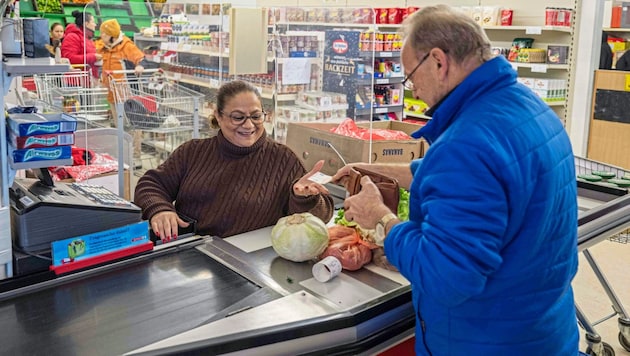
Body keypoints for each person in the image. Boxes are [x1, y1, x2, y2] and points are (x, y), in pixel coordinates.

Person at [332, 5, 578, 355]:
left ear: (438, 61)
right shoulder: (527, 106)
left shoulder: (465, 144)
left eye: (410, 75)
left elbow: (446, 278)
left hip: (484, 339)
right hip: (542, 326)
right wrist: (376, 170)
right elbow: (475, 183)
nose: (413, 89)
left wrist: (381, 219)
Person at [134, 80, 335, 242]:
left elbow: (320, 218)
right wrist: (159, 209)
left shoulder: (283, 159)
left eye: (256, 116)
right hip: (191, 255)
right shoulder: (193, 152)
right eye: (238, 117)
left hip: (252, 263)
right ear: (218, 117)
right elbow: (150, 184)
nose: (248, 125)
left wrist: (305, 198)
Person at [61, 10, 102, 77]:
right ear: (86, 23)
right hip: (75, 81)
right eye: (93, 22)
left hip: (88, 79)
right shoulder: (72, 37)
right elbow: (69, 59)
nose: (95, 24)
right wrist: (92, 57)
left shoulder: (88, 38)